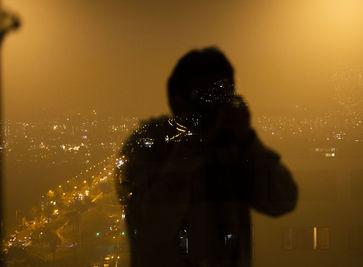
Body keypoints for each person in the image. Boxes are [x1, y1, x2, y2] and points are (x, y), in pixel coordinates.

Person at [115, 47, 298, 267]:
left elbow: (282, 201)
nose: (214, 108)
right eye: (203, 98)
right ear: (176, 101)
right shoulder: (150, 145)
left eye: (222, 97)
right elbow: (148, 227)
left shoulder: (231, 147)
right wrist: (191, 147)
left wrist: (248, 141)